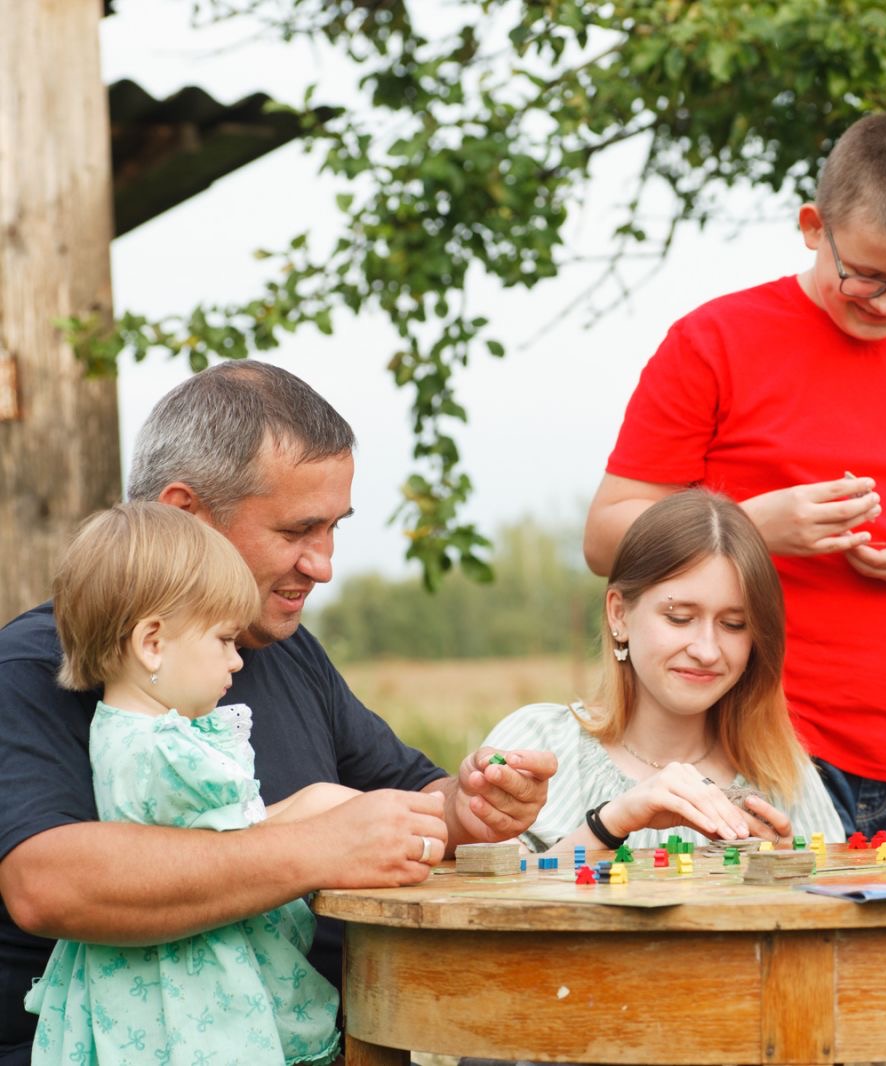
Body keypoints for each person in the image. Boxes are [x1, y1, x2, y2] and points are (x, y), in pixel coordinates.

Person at [0, 361, 557, 1064]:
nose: (322, 564)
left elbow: (401, 796)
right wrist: (317, 847)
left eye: (333, 529)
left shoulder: (284, 648)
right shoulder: (31, 666)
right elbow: (46, 883)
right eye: (298, 530)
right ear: (183, 512)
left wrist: (468, 808)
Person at [584, 113, 886, 840]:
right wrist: (751, 529)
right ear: (812, 227)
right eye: (864, 277)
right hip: (754, 748)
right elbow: (606, 537)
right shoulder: (713, 342)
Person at [27, 503, 358, 1064]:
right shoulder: (166, 753)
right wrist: (325, 808)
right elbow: (239, 844)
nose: (237, 661)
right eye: (225, 640)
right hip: (192, 1000)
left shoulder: (124, 732)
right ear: (151, 643)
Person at [484, 490, 843, 854]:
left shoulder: (783, 775)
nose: (706, 650)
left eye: (734, 624)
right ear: (619, 615)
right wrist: (612, 823)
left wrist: (787, 877)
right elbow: (481, 897)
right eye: (679, 617)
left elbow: (826, 901)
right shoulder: (538, 744)